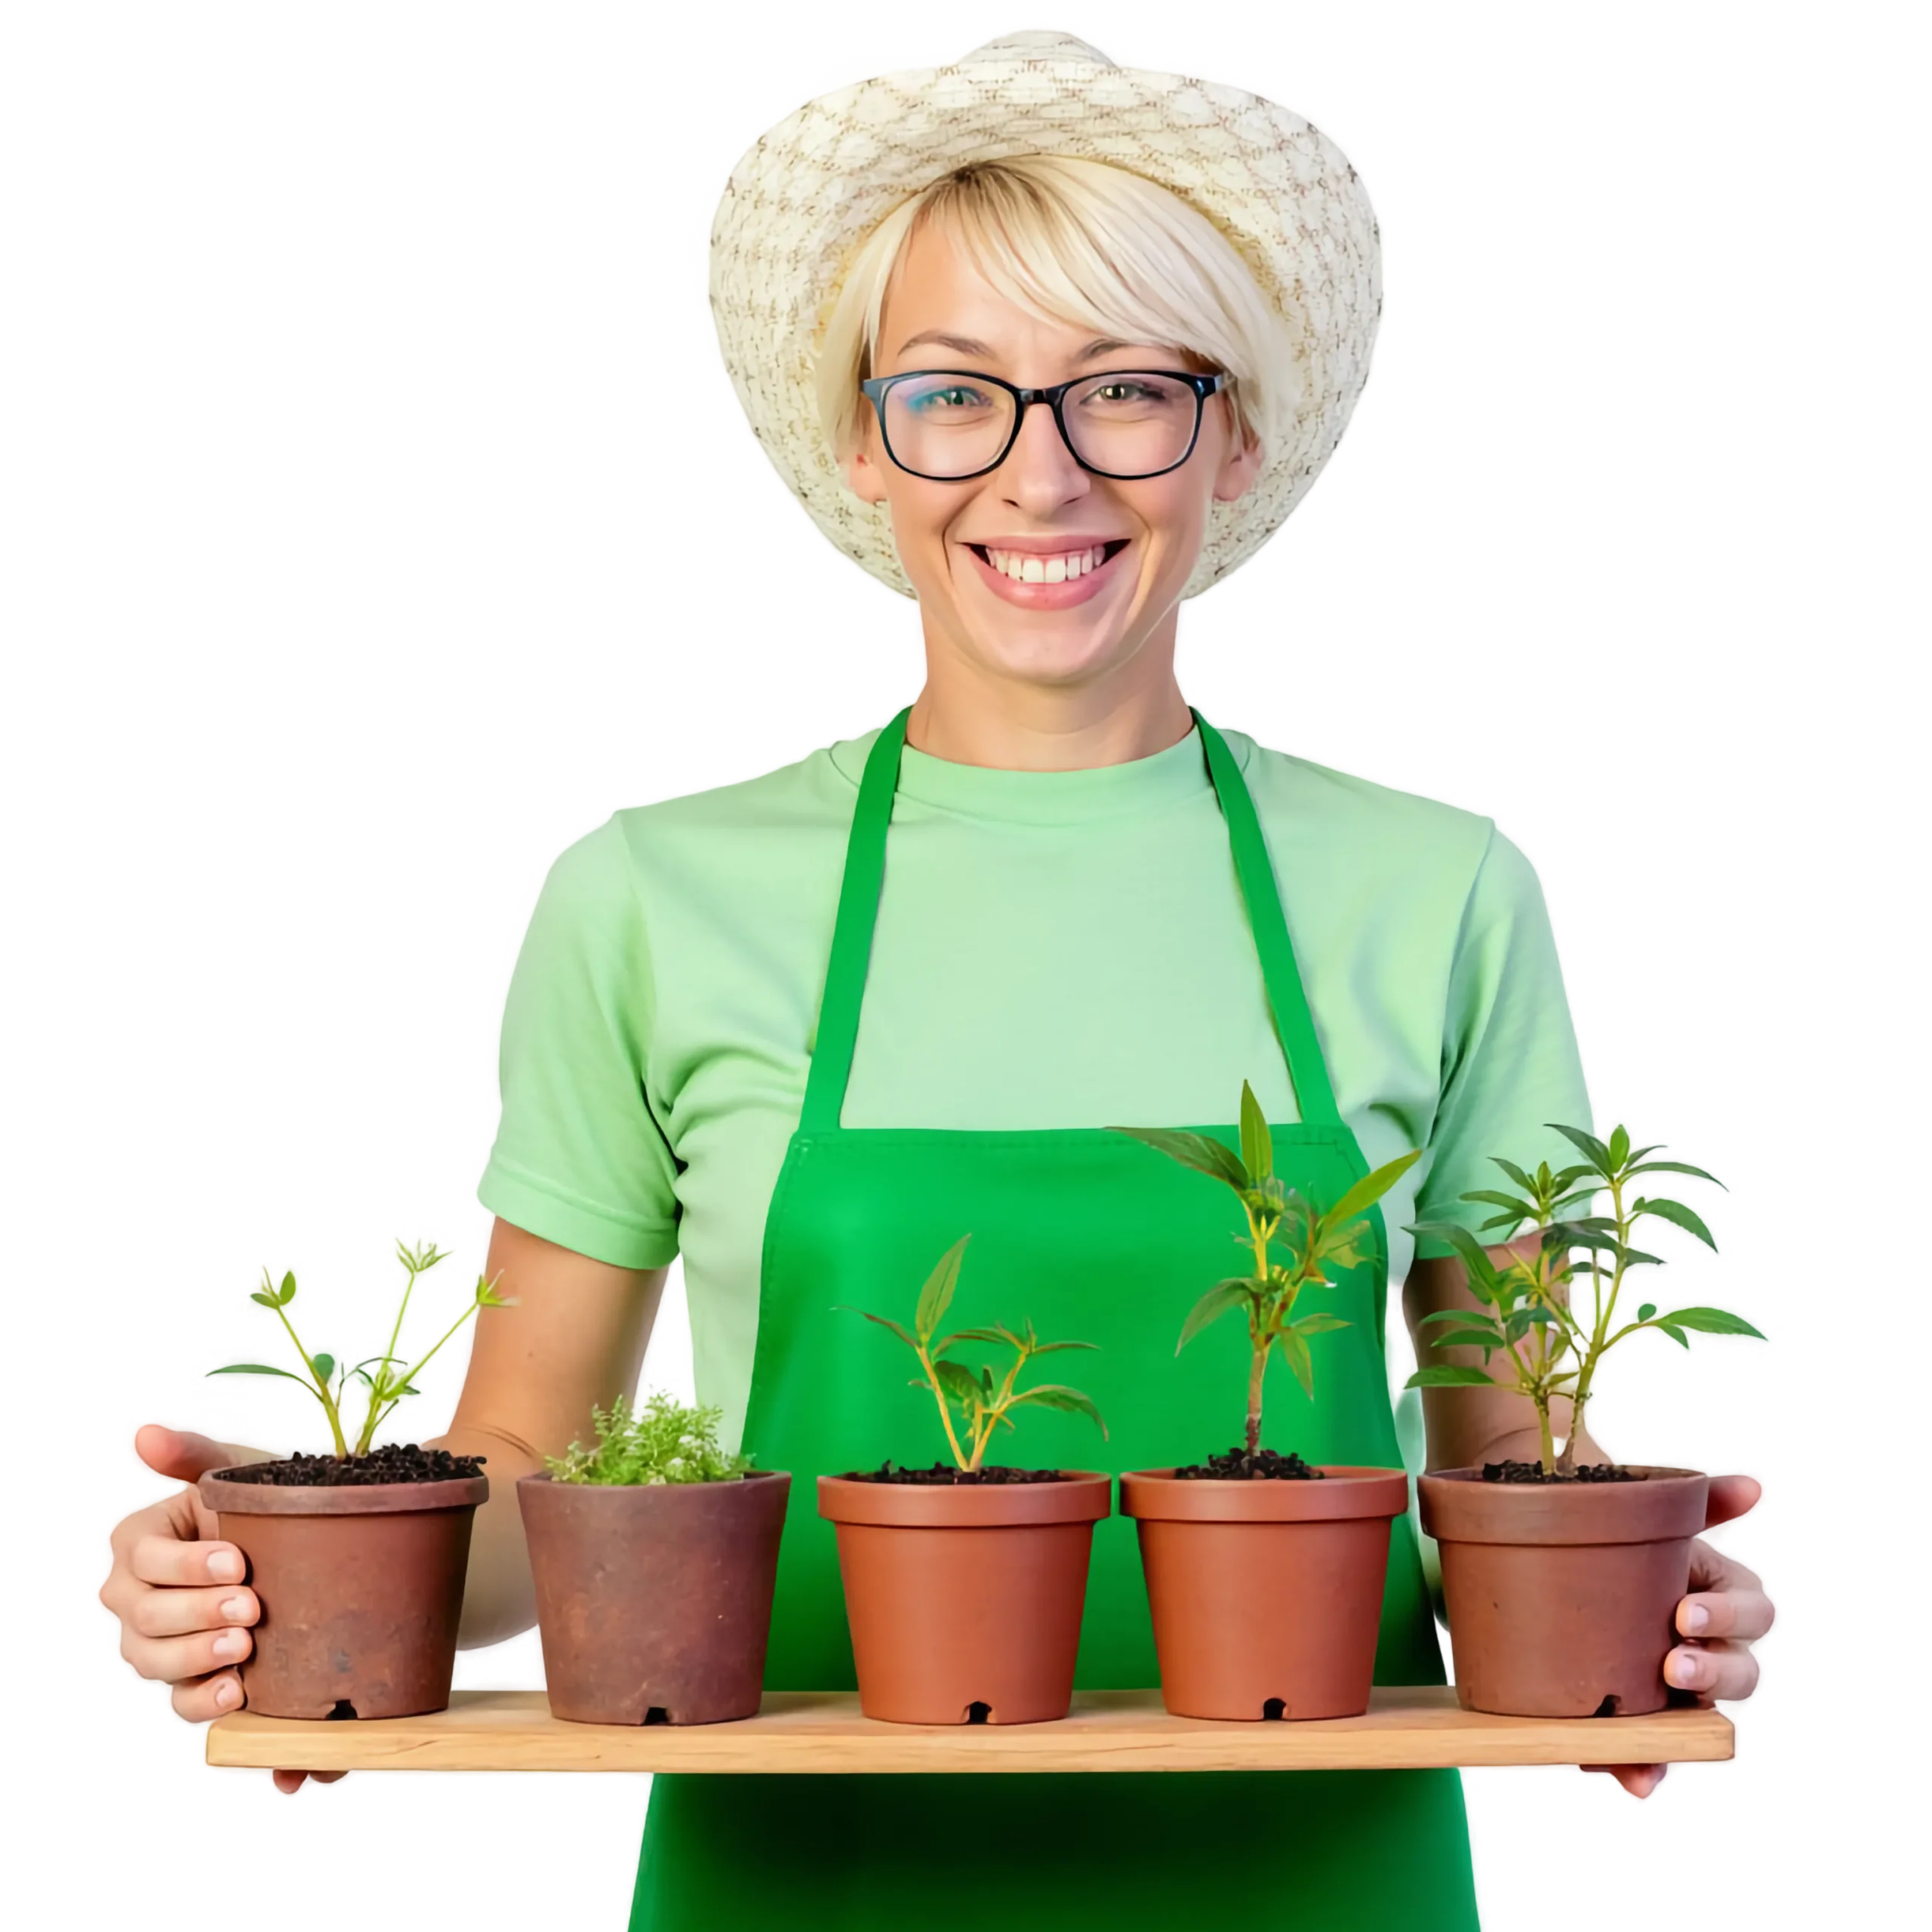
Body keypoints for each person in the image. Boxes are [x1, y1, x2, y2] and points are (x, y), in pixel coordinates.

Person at [97, 21, 1780, 1922]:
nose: (1039, 474)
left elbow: (1531, 1475)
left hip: (1325, 1876)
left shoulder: (1439, 882)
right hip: (790, 1875)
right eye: (953, 393)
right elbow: (520, 1514)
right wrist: (260, 1567)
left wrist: (1686, 1611)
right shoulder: (648, 889)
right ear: (860, 438)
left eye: (1124, 390)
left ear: (1229, 432)